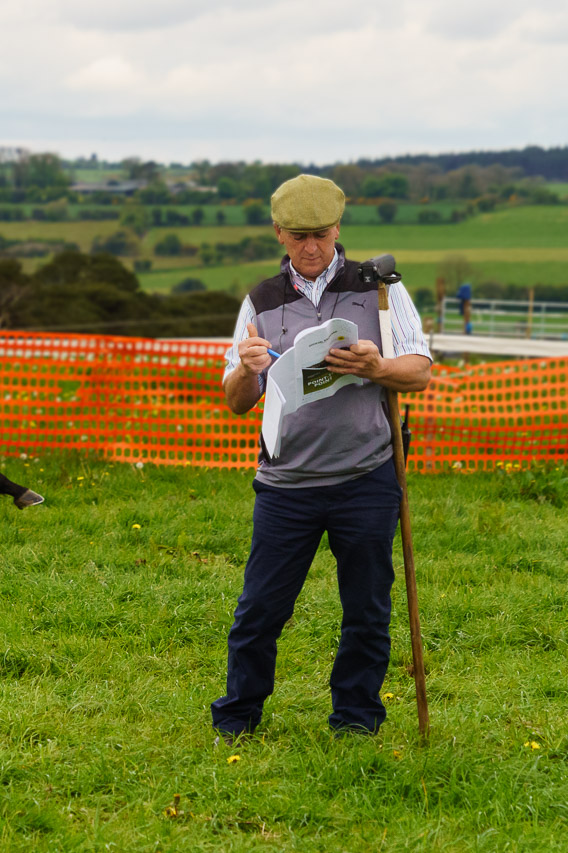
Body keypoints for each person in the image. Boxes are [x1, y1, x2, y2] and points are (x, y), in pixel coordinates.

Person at [211, 175, 433, 738]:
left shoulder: (379, 287)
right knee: (260, 610)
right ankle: (237, 721)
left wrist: (377, 367)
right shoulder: (261, 301)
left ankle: (355, 721)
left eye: (320, 233)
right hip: (286, 484)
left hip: (367, 476)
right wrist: (248, 369)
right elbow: (236, 401)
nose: (310, 247)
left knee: (367, 611)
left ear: (337, 228)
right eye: (298, 235)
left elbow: (419, 370)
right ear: (278, 233)